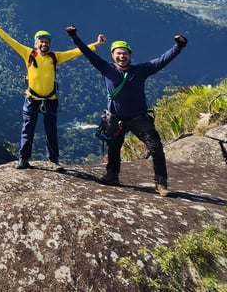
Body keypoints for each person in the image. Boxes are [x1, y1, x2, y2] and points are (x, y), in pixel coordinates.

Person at [66, 25, 188, 196]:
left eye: (125, 53)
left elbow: (162, 60)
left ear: (130, 56)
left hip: (139, 118)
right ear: (113, 55)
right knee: (114, 148)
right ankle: (112, 175)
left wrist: (178, 46)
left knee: (156, 147)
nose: (122, 56)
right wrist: (74, 37)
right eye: (118, 53)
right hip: (116, 118)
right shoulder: (106, 68)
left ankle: (161, 183)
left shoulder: (140, 70)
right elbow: (87, 53)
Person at [0, 14, 102, 169]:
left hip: (50, 99)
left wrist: (96, 44)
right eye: (41, 41)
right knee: (28, 130)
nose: (44, 44)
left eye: (47, 42)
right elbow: (10, 41)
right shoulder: (28, 54)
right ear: (36, 44)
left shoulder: (55, 57)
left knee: (51, 131)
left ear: (50, 45)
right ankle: (23, 158)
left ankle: (53, 160)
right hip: (32, 99)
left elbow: (76, 51)